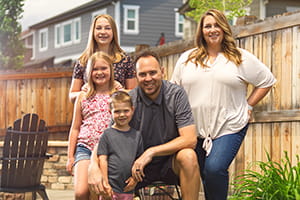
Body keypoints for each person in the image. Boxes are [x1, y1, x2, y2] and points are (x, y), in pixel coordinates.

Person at [171, 9, 277, 200]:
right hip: (193, 129)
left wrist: (249, 105)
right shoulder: (187, 59)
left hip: (229, 125)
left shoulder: (239, 57)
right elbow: (174, 90)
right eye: (208, 26)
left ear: (224, 28)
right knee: (201, 173)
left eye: (217, 25)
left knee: (214, 169)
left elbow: (267, 81)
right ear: (201, 31)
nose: (212, 30)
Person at [88, 51, 200, 200]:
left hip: (169, 163)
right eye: (142, 74)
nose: (148, 79)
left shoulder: (176, 95)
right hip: (134, 167)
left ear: (162, 72)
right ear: (136, 75)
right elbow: (108, 138)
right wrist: (92, 166)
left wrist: (150, 152)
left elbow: (190, 139)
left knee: (189, 156)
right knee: (98, 178)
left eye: (153, 73)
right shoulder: (130, 100)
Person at [67, 51, 121, 200]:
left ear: (111, 70)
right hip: (85, 148)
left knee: (103, 192)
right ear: (88, 73)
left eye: (103, 68)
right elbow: (75, 128)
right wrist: (70, 156)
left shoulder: (118, 95)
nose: (99, 72)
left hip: (111, 151)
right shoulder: (83, 96)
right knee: (81, 192)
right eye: (95, 69)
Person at [69, 14, 136, 103]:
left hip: (117, 113)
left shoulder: (125, 60)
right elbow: (72, 96)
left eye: (107, 28)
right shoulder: (83, 61)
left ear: (114, 32)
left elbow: (134, 94)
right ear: (93, 31)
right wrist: (84, 92)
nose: (103, 32)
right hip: (91, 113)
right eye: (99, 28)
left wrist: (120, 91)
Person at [97, 91, 144, 200]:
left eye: (126, 111)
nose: (122, 115)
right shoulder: (107, 134)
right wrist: (105, 182)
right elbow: (102, 159)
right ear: (110, 112)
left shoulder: (137, 136)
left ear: (132, 110)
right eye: (117, 111)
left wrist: (135, 180)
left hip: (127, 189)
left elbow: (139, 161)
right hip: (110, 190)